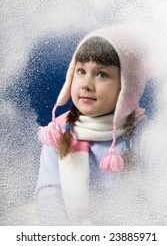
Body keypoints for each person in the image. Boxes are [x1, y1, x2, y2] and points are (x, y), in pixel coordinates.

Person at [35, 22, 155, 225]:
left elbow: (155, 197)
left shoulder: (144, 135)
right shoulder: (58, 133)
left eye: (101, 74)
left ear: (126, 86)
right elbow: (49, 191)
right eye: (81, 71)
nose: (86, 84)